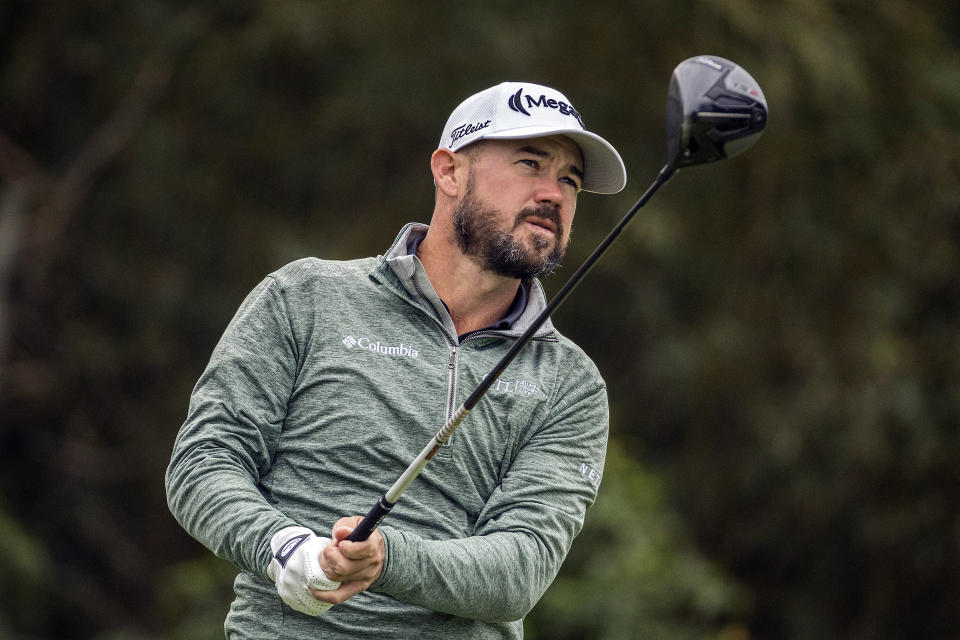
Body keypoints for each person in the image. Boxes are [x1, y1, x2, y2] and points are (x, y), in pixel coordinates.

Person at [165, 81, 627, 639]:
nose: (553, 194)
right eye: (530, 163)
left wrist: (387, 559)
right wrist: (283, 546)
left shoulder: (569, 384)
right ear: (449, 171)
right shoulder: (306, 297)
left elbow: (520, 569)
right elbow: (204, 462)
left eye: (570, 180)